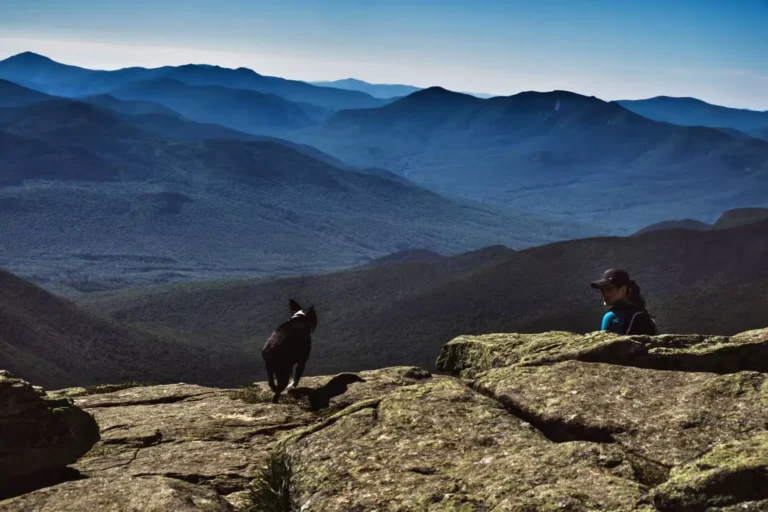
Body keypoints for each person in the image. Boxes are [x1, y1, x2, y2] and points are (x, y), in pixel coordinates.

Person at [590, 268, 657, 335]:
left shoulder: (611, 316)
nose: (603, 295)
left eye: (608, 289)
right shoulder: (641, 311)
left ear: (623, 290)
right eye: (602, 290)